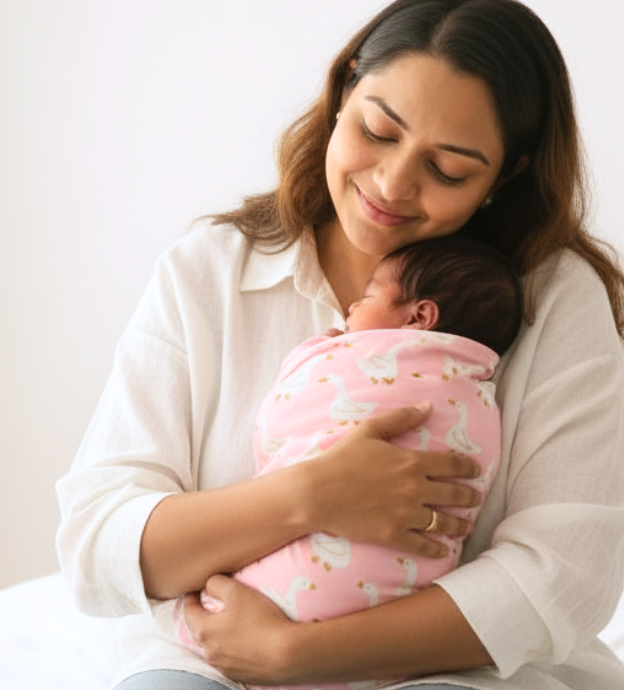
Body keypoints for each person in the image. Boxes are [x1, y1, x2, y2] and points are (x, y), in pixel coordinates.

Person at [55, 0, 624, 688]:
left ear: (503, 176)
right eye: (378, 130)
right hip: (215, 670)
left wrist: (296, 656)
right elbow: (98, 548)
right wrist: (308, 496)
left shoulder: (554, 299)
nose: (393, 185)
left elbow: (568, 575)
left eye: (449, 169)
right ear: (342, 92)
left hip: (461, 672)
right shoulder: (208, 273)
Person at [171, 237, 522, 690]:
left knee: (204, 609)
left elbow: (286, 418)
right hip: (395, 652)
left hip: (302, 627)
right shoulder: (475, 398)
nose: (351, 308)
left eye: (368, 297)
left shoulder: (359, 365)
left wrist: (322, 351)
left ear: (419, 317)